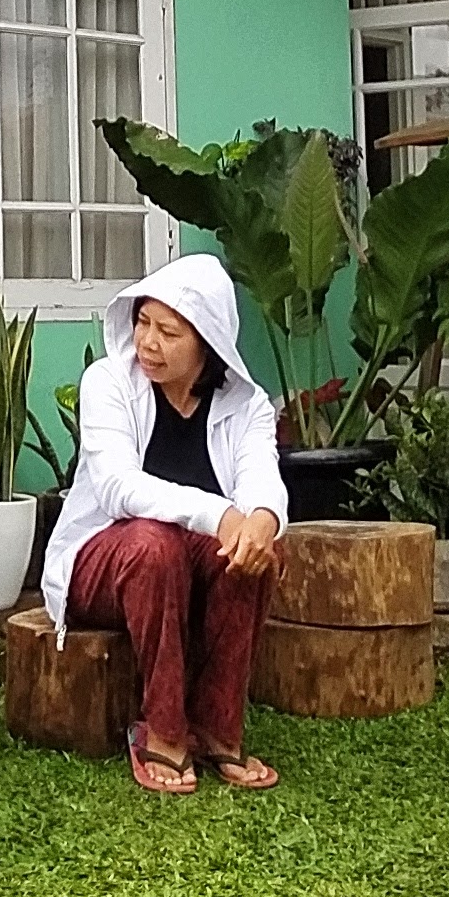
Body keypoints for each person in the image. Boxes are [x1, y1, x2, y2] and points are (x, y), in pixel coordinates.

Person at [40, 254, 288, 796]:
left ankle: (219, 728)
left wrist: (261, 520)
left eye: (169, 332)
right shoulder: (108, 382)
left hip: (185, 569)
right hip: (102, 564)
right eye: (143, 322)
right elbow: (117, 486)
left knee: (254, 552)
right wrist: (221, 515)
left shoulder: (248, 405)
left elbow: (261, 478)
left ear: (207, 342)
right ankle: (165, 731)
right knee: (156, 543)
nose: (148, 342)